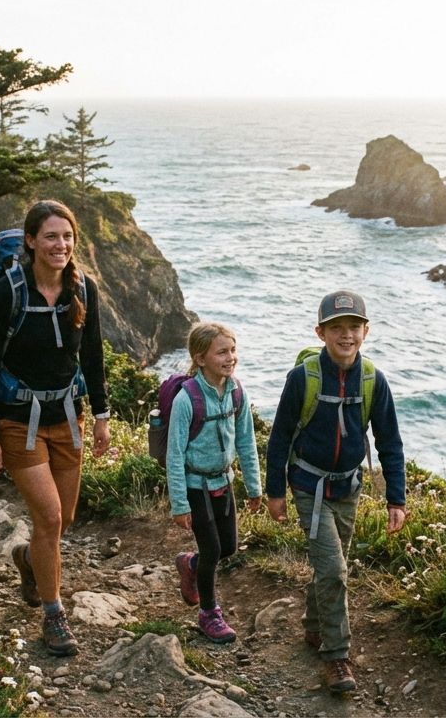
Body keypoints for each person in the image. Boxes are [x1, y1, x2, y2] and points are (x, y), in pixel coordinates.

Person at [0, 199, 110, 656]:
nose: (61, 244)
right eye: (51, 236)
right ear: (30, 241)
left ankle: (29, 559)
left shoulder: (82, 288)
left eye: (68, 236)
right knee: (49, 517)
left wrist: (103, 416)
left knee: (63, 519)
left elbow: (91, 356)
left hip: (67, 417)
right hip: (17, 421)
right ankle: (54, 616)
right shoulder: (6, 293)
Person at [265, 289, 407, 695]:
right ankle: (336, 657)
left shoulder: (373, 380)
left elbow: (390, 442)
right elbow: (278, 439)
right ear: (320, 332)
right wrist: (276, 492)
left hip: (349, 487)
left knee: (332, 565)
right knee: (334, 570)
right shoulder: (302, 379)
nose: (346, 336)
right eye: (336, 328)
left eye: (353, 327)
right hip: (309, 485)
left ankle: (314, 628)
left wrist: (396, 498)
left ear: (366, 331)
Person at [166, 322, 262, 644]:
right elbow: (175, 455)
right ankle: (209, 613)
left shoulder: (236, 391)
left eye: (232, 350)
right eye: (222, 351)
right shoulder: (186, 400)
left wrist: (254, 486)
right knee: (213, 550)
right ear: (200, 358)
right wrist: (179, 504)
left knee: (229, 547)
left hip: (224, 480)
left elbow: (247, 441)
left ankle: (189, 564)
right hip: (196, 485)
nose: (230, 357)